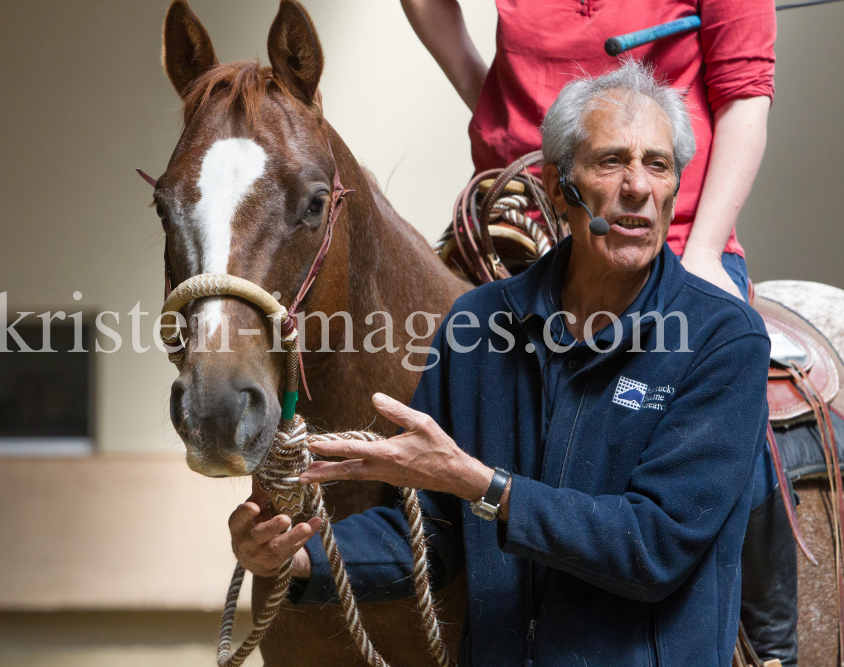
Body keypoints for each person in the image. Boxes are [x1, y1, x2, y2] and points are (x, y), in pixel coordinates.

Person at [230, 61, 771, 666]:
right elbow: (429, 535)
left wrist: (482, 485)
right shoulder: (475, 326)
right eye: (612, 160)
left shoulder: (724, 339)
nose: (638, 186)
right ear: (559, 185)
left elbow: (653, 546)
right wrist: (300, 557)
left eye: (658, 164)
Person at [400, 2, 793, 663]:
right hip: (525, 194)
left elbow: (745, 100)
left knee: (731, 344)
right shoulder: (474, 319)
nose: (641, 182)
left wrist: (699, 255)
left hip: (683, 231)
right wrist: (503, 126)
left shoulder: (660, 205)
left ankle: (770, 639)